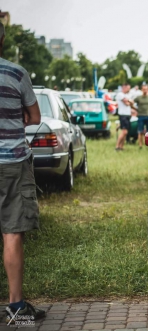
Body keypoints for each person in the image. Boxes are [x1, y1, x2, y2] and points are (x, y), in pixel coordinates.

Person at [0, 22, 46, 322]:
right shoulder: (16, 73)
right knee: (12, 232)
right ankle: (16, 308)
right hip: (12, 163)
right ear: (2, 39)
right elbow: (34, 116)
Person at [133, 84, 148, 149]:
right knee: (140, 131)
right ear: (141, 90)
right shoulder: (139, 97)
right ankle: (140, 145)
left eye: (146, 89)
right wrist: (135, 109)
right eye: (143, 89)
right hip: (141, 116)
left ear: (147, 90)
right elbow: (131, 102)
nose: (145, 91)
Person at [115, 83, 133, 151]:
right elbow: (127, 103)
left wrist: (129, 102)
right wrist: (129, 101)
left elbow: (130, 103)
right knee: (124, 132)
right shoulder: (120, 94)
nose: (129, 89)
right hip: (123, 115)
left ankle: (121, 146)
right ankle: (117, 146)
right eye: (128, 88)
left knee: (126, 132)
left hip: (127, 115)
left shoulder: (126, 95)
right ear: (124, 87)